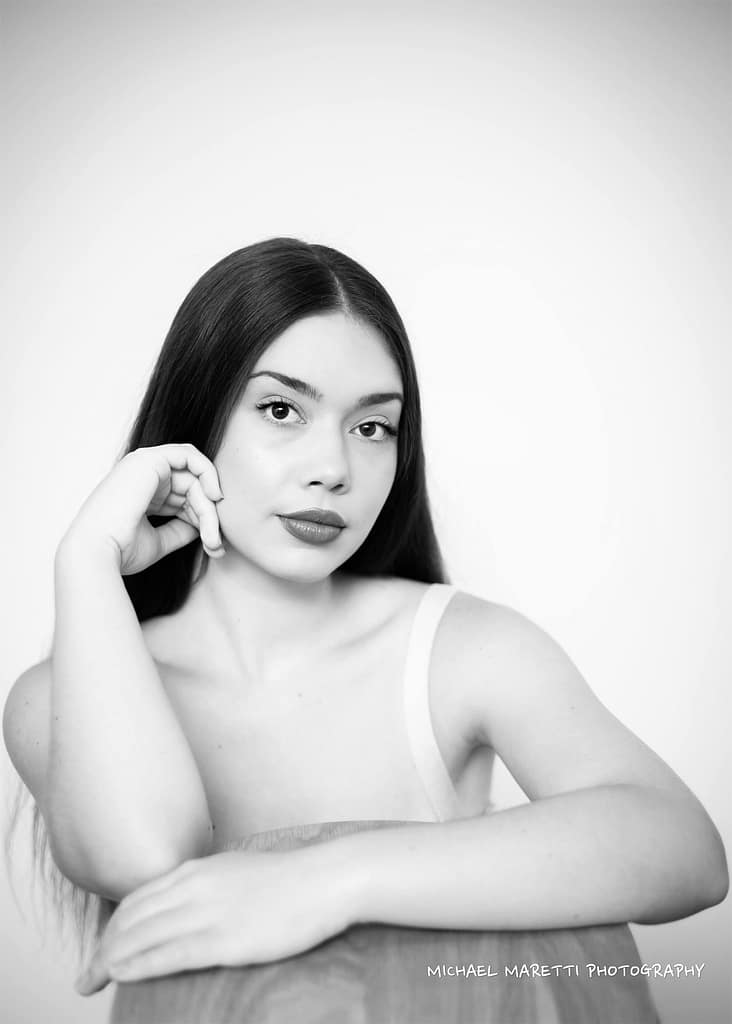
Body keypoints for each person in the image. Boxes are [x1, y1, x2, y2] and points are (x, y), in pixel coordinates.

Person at [3, 238, 728, 1001]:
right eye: (281, 409)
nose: (334, 468)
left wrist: (327, 879)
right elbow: (144, 863)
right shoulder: (57, 701)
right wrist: (85, 562)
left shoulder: (458, 651)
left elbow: (683, 849)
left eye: (373, 427)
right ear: (195, 419)